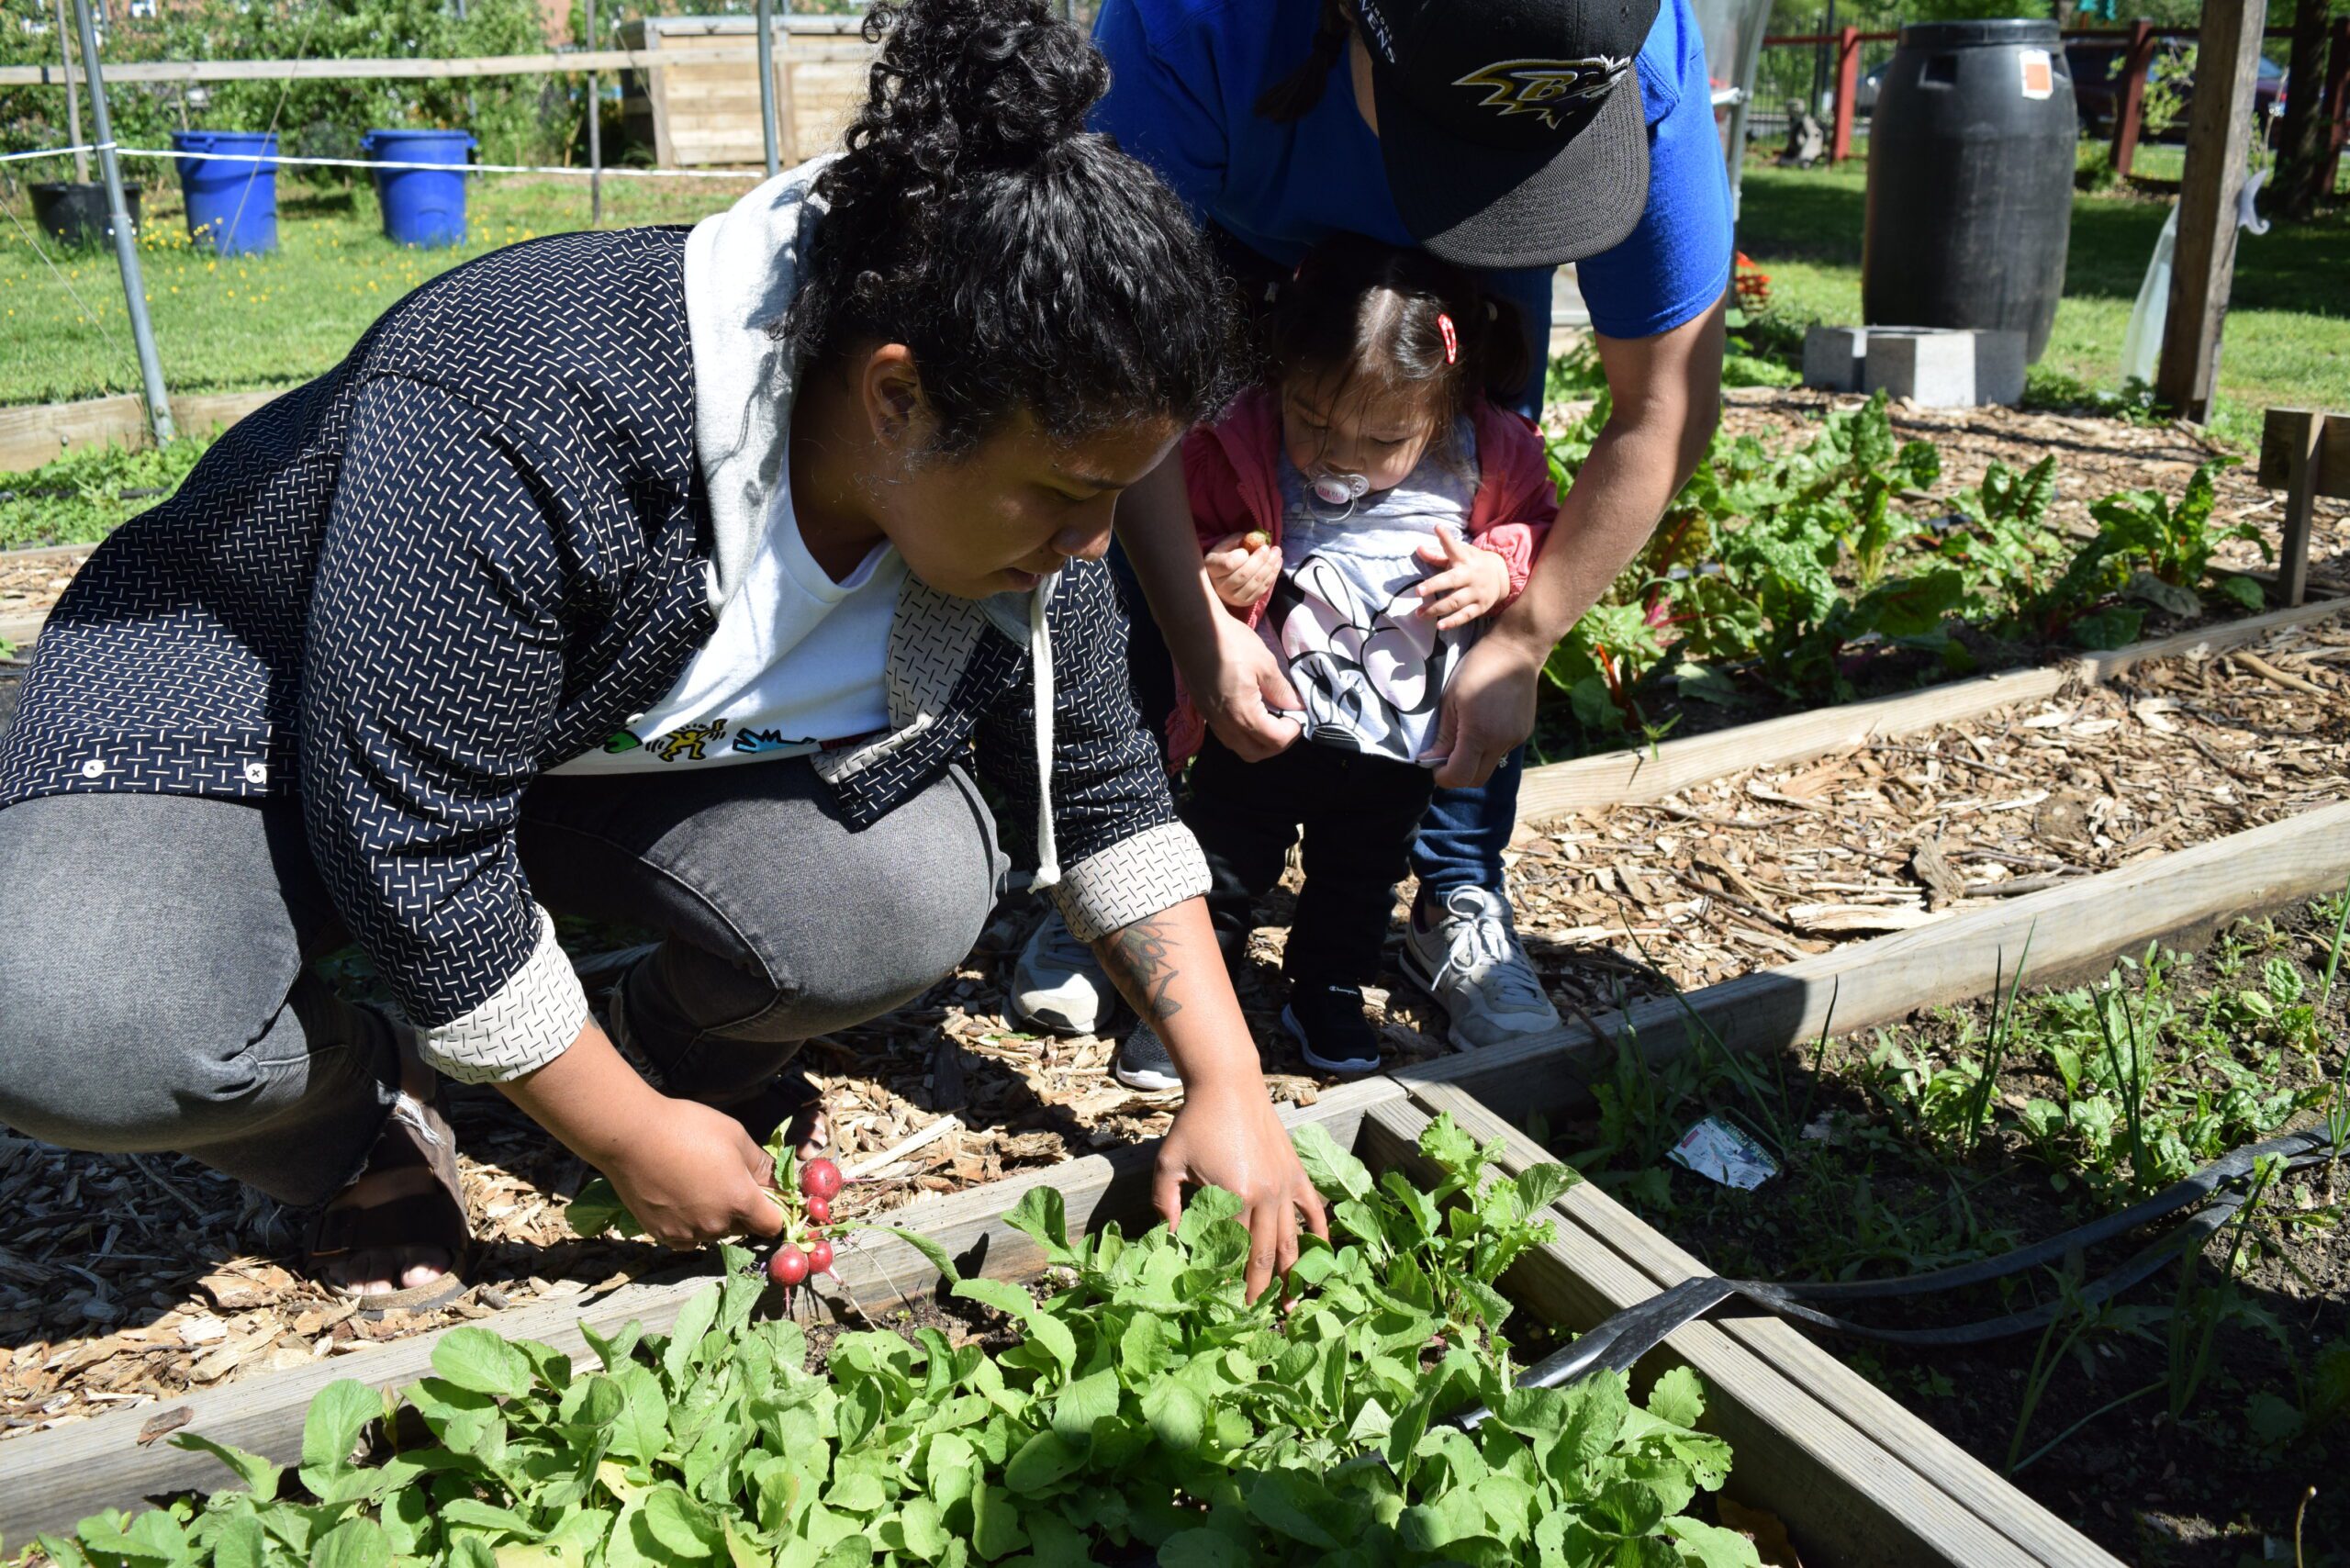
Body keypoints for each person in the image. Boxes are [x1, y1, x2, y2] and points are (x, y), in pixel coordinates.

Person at [0, 0, 1326, 1310]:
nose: (1095, 544)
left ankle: (635, 1049)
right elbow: (415, 844)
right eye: (1066, 494)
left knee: (900, 892)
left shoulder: (1017, 453)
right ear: (897, 396)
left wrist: (1228, 1084)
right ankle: (359, 1108)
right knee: (77, 1021)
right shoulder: (522, 409)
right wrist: (623, 1138)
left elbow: (1101, 785)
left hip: (565, 750)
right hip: (252, 726)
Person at [1011, 0, 1732, 1056]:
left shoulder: (1640, 50)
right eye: (1463, 136)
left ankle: (1454, 890)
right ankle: (1123, 864)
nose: (1481, 167)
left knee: (1455, 546)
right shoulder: (1189, 28)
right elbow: (1119, 377)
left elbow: (1663, 404)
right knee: (1164, 561)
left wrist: (1526, 636)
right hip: (1224, 243)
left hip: (1452, 314)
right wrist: (1198, 631)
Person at [1113, 235, 1554, 1092]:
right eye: (1312, 419)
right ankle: (1189, 1011)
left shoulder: (1484, 455)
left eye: (1383, 436)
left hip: (1395, 745)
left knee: (1358, 881)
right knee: (1225, 864)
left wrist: (1500, 566)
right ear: (1281, 378)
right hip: (1264, 721)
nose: (1338, 453)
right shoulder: (1243, 440)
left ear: (1443, 404)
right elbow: (1183, 524)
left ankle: (1328, 990)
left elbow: (1542, 522)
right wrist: (1214, 573)